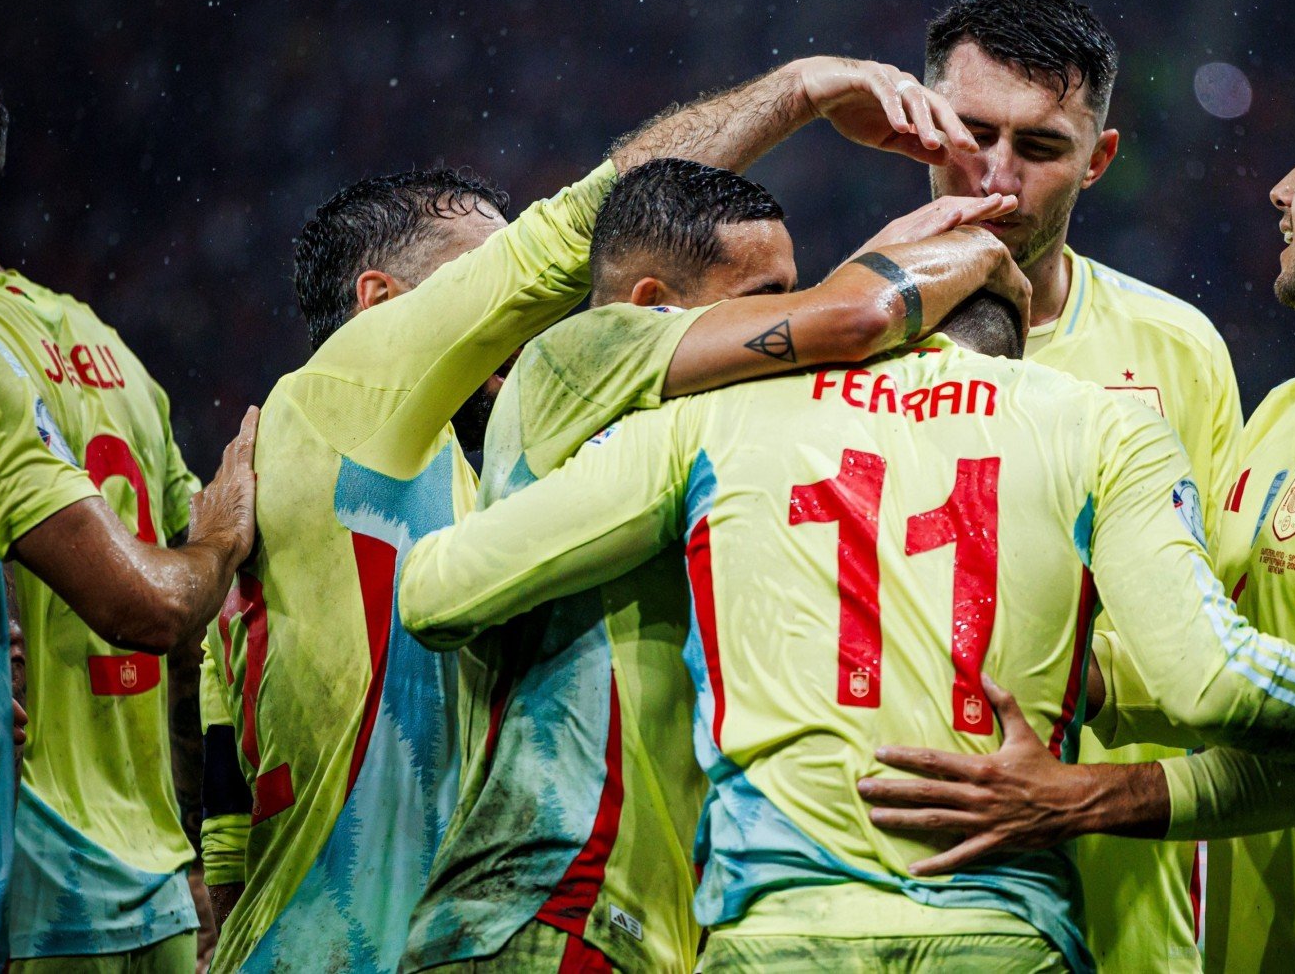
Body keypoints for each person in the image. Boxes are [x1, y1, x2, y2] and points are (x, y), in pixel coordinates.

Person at [392, 281, 1295, 971]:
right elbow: (1207, 681)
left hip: (783, 927)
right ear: (1015, 341)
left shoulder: (724, 418)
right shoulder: (1095, 422)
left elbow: (437, 591)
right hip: (1003, 927)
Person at [202, 54, 984, 973]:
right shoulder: (330, 396)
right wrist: (802, 90)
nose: (529, 311)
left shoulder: (478, 478)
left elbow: (223, 820)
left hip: (433, 935)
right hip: (352, 950)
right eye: (481, 278)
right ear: (381, 305)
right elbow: (587, 223)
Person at [858, 48, 1295, 974]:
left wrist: (1077, 796)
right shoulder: (1290, 410)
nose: (1279, 188)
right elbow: (1213, 654)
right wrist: (1061, 673)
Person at [397, 157, 1029, 973]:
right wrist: (982, 253)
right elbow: (852, 319)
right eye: (769, 299)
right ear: (652, 309)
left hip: (636, 926)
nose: (790, 321)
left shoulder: (701, 433)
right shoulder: (577, 354)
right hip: (546, 906)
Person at [0, 37, 256, 973]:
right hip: (155, 899)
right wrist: (190, 842)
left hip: (9, 897)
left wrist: (213, 544)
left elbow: (154, 605)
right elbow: (200, 646)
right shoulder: (108, 352)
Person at [920, 0, 1242, 970]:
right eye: (970, 133)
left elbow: (1230, 621)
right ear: (917, 126)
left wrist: (1077, 681)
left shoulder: (1177, 352)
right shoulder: (819, 339)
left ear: (1098, 160)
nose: (998, 176)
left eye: (1042, 147)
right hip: (872, 890)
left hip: (1119, 910)